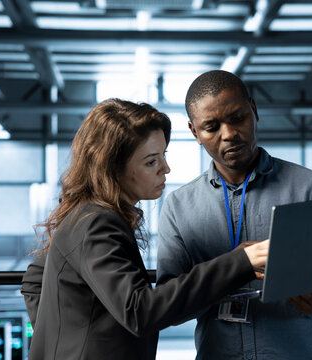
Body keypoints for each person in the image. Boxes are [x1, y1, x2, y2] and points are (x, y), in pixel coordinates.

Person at [20, 98, 270, 360]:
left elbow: (34, 281)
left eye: (163, 155)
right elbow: (139, 311)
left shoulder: (84, 214)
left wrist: (64, 341)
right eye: (151, 162)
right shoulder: (98, 223)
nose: (165, 169)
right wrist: (240, 263)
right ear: (113, 168)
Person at [156, 70, 312, 359]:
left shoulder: (310, 188)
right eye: (211, 127)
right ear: (194, 133)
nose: (229, 134)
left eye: (237, 118)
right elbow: (168, 303)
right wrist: (224, 273)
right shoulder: (178, 206)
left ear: (254, 110)